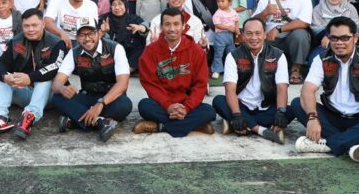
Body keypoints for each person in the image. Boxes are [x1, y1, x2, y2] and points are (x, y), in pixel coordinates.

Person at [290, 16, 359, 162]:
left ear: (355, 38)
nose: (339, 43)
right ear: (329, 38)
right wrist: (312, 118)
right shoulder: (322, 59)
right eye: (334, 38)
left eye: (345, 38)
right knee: (297, 103)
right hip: (333, 117)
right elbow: (307, 90)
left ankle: (329, 144)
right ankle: (354, 141)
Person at [0, 8, 67, 140]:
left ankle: (29, 118)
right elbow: (0, 64)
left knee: (44, 79)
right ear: (22, 26)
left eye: (34, 25)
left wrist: (30, 78)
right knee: (5, 77)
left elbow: (55, 67)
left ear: (43, 24)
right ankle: (0, 118)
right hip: (24, 92)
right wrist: (6, 77)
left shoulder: (57, 43)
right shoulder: (16, 41)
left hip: (47, 97)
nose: (30, 29)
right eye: (26, 26)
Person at [133, 7, 216, 136]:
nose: (172, 29)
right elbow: (150, 84)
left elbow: (200, 85)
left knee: (209, 111)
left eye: (176, 24)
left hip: (186, 103)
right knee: (144, 105)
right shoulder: (150, 52)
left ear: (183, 26)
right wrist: (168, 106)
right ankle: (194, 125)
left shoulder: (196, 51)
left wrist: (187, 108)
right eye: (167, 24)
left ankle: (160, 126)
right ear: (161, 27)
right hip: (162, 104)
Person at [50, 19, 131, 141]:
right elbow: (57, 82)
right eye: (82, 35)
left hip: (110, 99)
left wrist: (100, 104)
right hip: (88, 97)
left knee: (124, 104)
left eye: (91, 33)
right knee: (57, 98)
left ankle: (75, 121)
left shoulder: (115, 48)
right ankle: (100, 122)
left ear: (99, 33)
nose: (87, 38)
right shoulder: (74, 53)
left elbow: (123, 83)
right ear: (77, 37)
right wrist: (62, 88)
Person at [213, 17, 288, 144]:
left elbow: (282, 88)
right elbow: (230, 90)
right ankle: (260, 129)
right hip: (241, 106)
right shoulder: (233, 56)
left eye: (258, 33)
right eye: (249, 33)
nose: (254, 38)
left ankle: (238, 125)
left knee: (289, 110)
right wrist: (237, 114)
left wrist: (280, 112)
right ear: (242, 35)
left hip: (266, 106)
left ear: (265, 34)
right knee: (219, 101)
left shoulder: (278, 55)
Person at [252, 0, 312, 84]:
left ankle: (296, 70)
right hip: (270, 39)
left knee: (300, 34)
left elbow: (304, 22)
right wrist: (265, 12)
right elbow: (253, 23)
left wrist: (278, 29)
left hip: (291, 37)